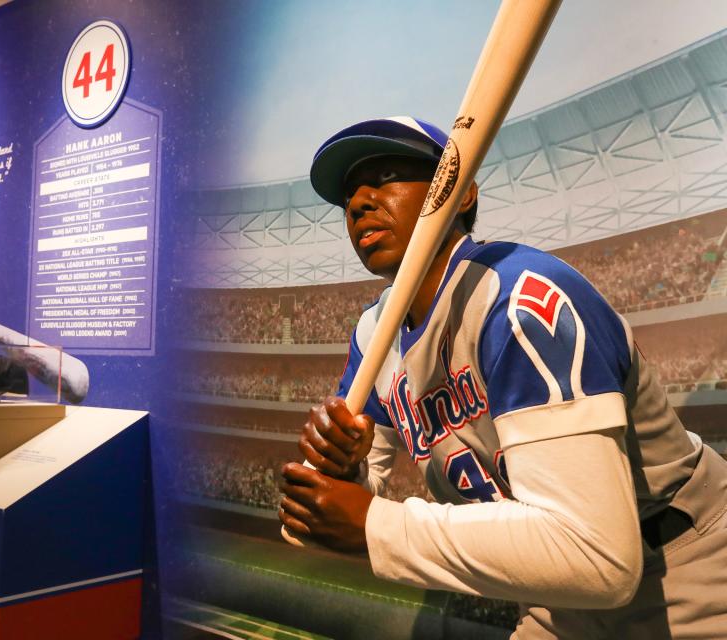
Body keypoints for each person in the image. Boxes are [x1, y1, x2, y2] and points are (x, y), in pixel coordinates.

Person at [279, 116, 727, 638]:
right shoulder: (373, 332)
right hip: (551, 589)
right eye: (349, 196)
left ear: (462, 193)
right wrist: (346, 470)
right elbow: (350, 490)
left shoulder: (518, 297)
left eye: (386, 176)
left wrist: (378, 525)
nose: (358, 202)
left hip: (685, 569)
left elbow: (597, 554)